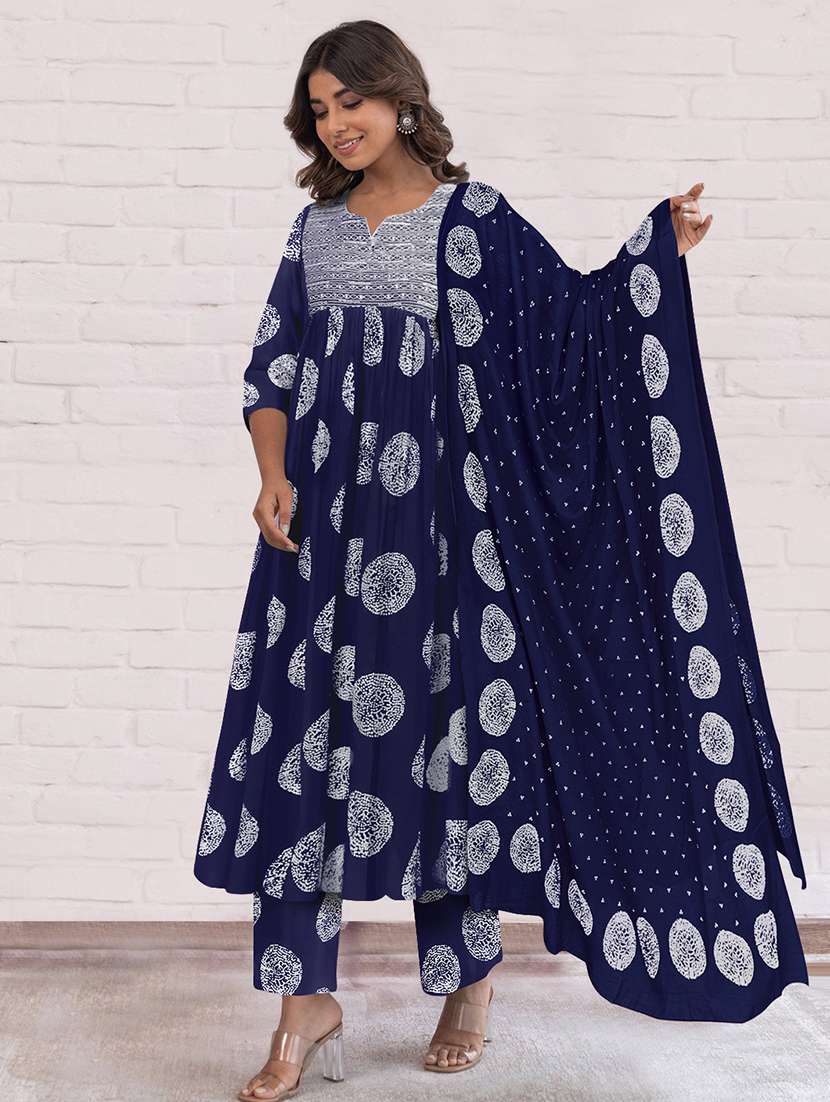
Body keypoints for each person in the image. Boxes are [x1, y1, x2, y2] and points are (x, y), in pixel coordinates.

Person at [192, 19, 809, 1102]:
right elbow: (272, 364)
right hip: (320, 539)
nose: (335, 125)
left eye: (350, 102)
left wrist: (654, 253)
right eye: (319, 109)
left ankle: (468, 982)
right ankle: (303, 1004)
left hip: (440, 539)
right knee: (300, 748)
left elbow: (571, 324)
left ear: (401, 98)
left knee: (446, 748)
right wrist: (271, 472)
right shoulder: (314, 229)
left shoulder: (470, 220)